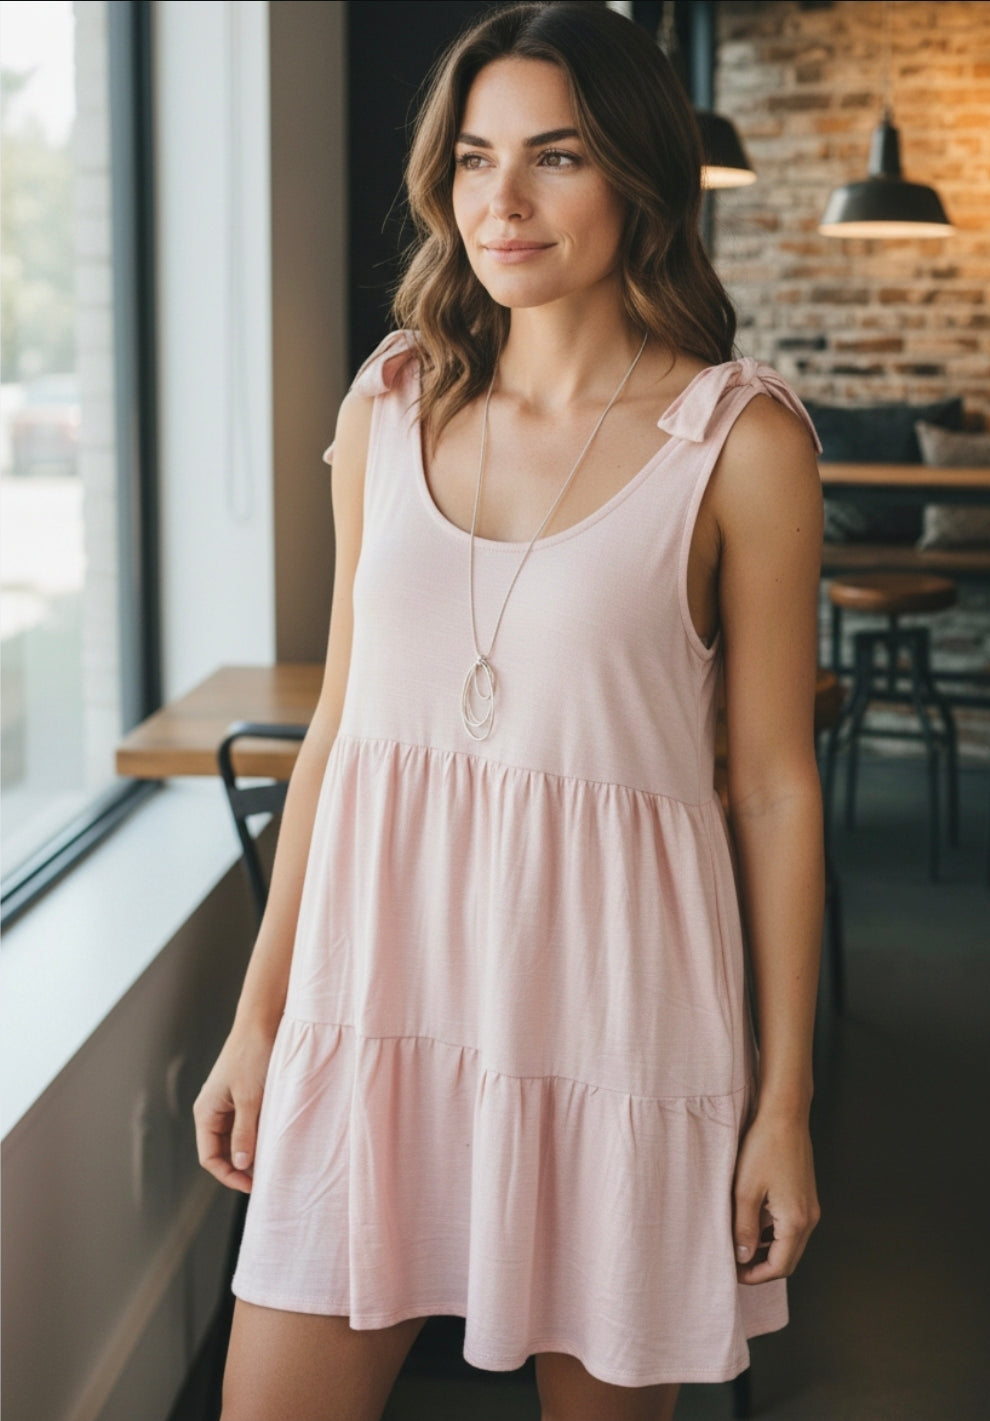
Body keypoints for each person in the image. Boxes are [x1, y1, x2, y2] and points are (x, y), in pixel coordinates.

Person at [194, 4, 824, 1418]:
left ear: (639, 179)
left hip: (617, 1023)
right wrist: (260, 1015)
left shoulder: (739, 440)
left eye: (557, 157)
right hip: (376, 1010)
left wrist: (779, 1106)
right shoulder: (392, 405)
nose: (504, 201)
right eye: (476, 160)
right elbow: (342, 734)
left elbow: (777, 790)